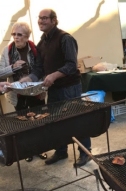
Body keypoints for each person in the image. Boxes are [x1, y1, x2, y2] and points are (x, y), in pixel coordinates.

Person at [20, 9, 91, 168]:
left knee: (76, 120)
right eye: (39, 18)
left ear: (54, 20)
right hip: (54, 89)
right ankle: (61, 151)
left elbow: (71, 65)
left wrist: (53, 75)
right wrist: (28, 79)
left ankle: (85, 152)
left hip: (69, 87)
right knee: (55, 122)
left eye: (45, 18)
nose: (41, 21)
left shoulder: (65, 39)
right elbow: (38, 68)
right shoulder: (42, 42)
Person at [0, 22, 47, 161]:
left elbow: (42, 69)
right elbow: (0, 73)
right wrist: (13, 67)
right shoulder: (6, 51)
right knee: (22, 123)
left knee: (38, 121)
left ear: (27, 37)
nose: (16, 37)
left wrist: (44, 88)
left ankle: (40, 148)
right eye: (13, 34)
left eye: (19, 34)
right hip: (17, 93)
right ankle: (27, 151)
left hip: (36, 91)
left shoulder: (36, 49)